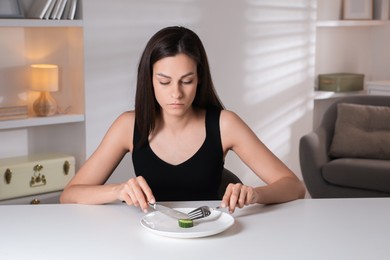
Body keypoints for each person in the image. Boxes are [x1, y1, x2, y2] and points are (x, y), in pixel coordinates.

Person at [60, 26, 305, 213]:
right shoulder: (128, 126)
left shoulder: (225, 124)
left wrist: (254, 194)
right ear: (149, 80)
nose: (176, 93)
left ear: (199, 80)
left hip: (211, 235)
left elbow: (294, 186)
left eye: (186, 81)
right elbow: (70, 195)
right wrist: (118, 190)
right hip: (149, 238)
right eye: (164, 82)